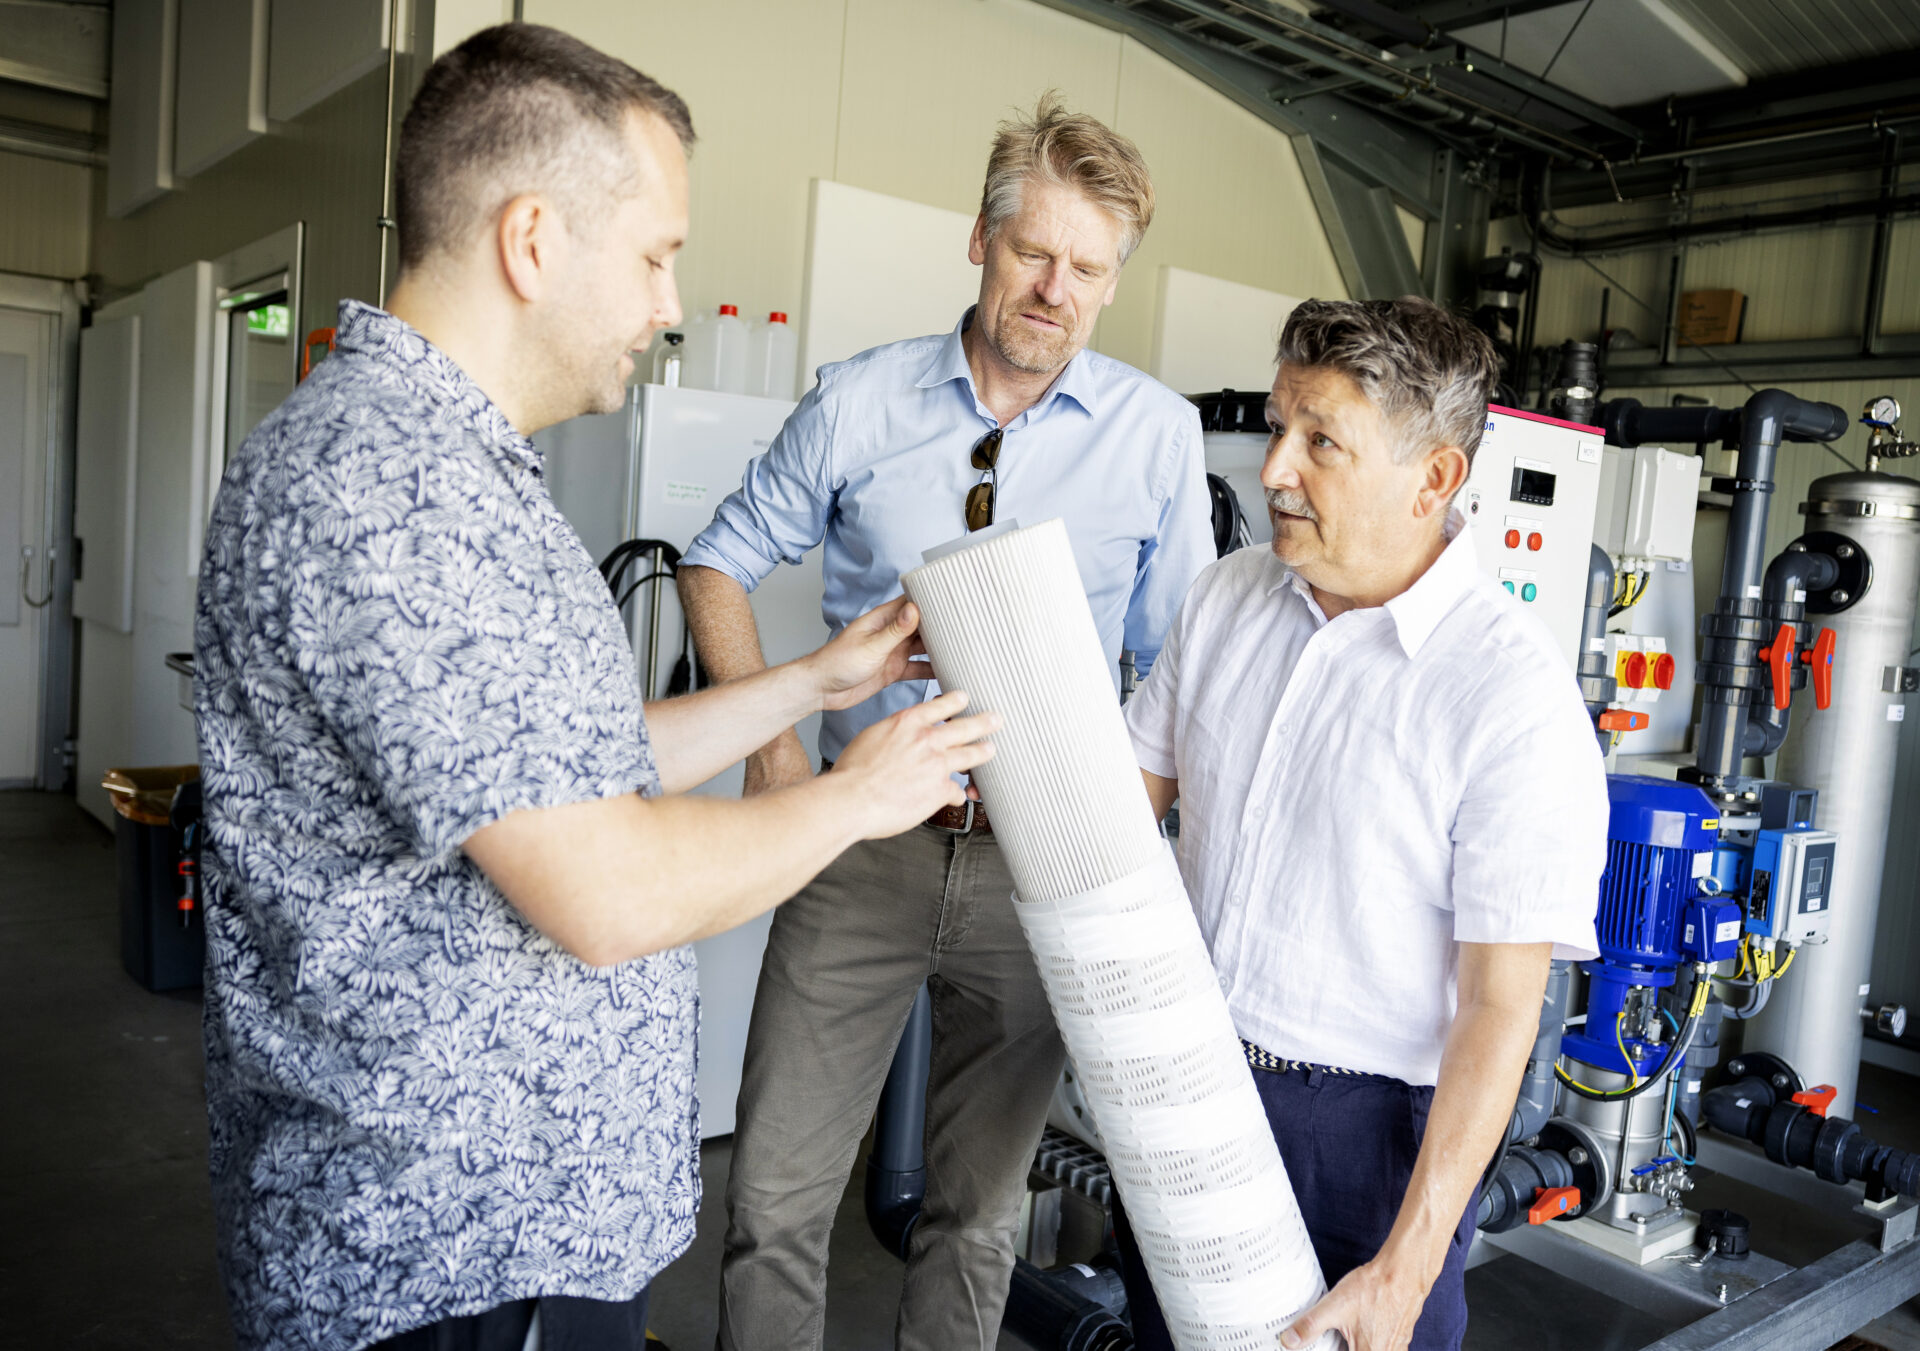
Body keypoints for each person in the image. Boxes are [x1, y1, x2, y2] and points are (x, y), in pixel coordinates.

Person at [192, 25, 996, 1351]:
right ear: (531, 240)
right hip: (450, 1252)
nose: (670, 302)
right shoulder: (389, 491)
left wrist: (808, 682)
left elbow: (568, 762)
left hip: (511, 1231)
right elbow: (608, 889)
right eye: (656, 253)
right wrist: (862, 794)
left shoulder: (461, 470)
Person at [676, 95, 1214, 1351]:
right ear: (980, 241)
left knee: (978, 1214)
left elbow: (1181, 669)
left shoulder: (1156, 437)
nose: (1055, 290)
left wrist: (1129, 857)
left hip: (1041, 869)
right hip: (858, 841)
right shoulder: (860, 403)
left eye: (1090, 269)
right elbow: (716, 563)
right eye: (1034, 252)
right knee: (773, 1196)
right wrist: (773, 761)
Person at [1116, 298, 1608, 1351]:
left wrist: (1406, 1264)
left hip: (1372, 1141)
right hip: (1188, 1085)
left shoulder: (1509, 697)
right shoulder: (1227, 598)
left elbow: (1498, 1009)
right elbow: (1120, 805)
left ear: (1433, 479)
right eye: (1278, 424)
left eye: (1321, 440)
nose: (1274, 468)